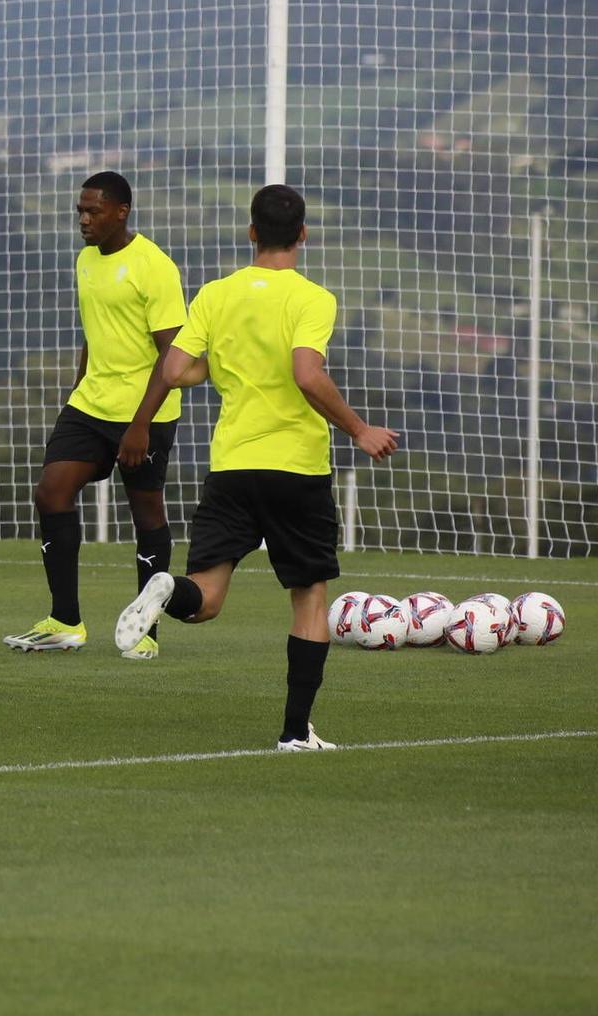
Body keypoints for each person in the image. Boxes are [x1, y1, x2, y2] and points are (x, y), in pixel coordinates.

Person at [113, 184, 398, 749]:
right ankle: (296, 731)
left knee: (206, 600)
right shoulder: (313, 298)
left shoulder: (217, 295)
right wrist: (360, 430)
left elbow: (173, 371)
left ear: (251, 233)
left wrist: (220, 366)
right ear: (302, 234)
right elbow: (306, 374)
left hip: (233, 467)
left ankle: (168, 589)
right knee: (309, 596)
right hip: (295, 469)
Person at [4, 170, 186, 660]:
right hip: (90, 403)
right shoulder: (86, 260)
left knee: (145, 511)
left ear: (121, 211)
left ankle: (146, 631)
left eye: (93, 211)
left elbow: (172, 357)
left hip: (144, 410)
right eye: (79, 211)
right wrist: (77, 389)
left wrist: (140, 425)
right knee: (51, 492)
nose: (83, 220)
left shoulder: (154, 267)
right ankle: (65, 620)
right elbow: (95, 330)